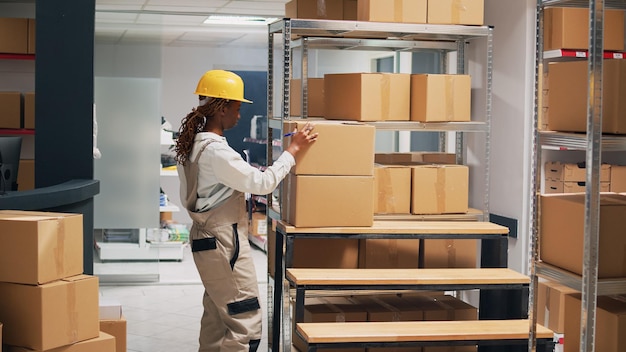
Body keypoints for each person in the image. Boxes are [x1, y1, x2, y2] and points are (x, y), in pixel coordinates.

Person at [174, 69, 318, 352]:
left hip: (208, 241)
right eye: (237, 108)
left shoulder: (193, 145)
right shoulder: (216, 151)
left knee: (217, 320)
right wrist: (293, 151)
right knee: (246, 324)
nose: (239, 116)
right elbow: (262, 183)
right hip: (223, 243)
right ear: (222, 108)